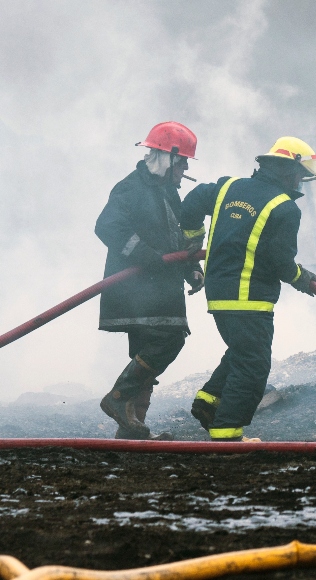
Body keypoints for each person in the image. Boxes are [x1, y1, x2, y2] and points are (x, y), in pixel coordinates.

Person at [180, 136, 316, 442]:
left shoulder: (227, 187)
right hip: (249, 299)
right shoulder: (285, 209)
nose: (300, 183)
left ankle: (208, 403)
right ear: (288, 171)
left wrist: (194, 238)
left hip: (218, 293)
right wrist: (301, 278)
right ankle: (227, 434)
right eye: (300, 176)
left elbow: (190, 203)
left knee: (244, 352)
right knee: (253, 366)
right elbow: (280, 261)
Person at [96, 121, 205, 440]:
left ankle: (130, 432)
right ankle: (117, 398)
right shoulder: (131, 188)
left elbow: (175, 239)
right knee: (168, 340)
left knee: (147, 355)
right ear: (166, 157)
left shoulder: (167, 193)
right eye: (182, 160)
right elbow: (107, 226)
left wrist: (192, 269)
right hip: (137, 291)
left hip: (158, 290)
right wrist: (145, 256)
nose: (185, 167)